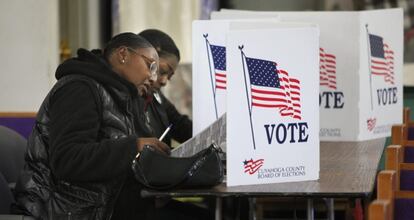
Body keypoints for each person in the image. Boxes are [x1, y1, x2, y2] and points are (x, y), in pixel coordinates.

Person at [13, 33, 171, 220]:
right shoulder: (80, 88)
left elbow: (120, 163)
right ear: (123, 54)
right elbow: (68, 159)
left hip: (105, 208)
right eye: (151, 66)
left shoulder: (124, 97)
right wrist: (133, 147)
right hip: (62, 212)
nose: (153, 78)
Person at [138, 29, 192, 146]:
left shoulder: (156, 97)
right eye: (162, 71)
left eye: (169, 76)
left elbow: (181, 126)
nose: (164, 81)